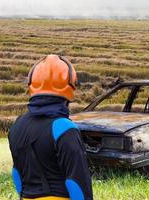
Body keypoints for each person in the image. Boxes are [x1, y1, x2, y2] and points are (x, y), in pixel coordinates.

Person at [8, 55, 93, 200]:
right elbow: (78, 183)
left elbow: (17, 175)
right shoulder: (64, 128)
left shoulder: (17, 125)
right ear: (70, 87)